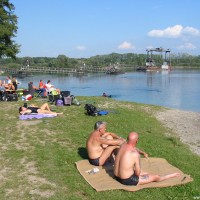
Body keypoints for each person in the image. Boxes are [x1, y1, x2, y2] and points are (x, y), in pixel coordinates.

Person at [114, 132, 180, 186]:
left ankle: (148, 175)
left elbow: (133, 148)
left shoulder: (122, 145)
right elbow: (137, 173)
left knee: (144, 172)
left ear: (127, 139)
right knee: (155, 176)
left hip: (116, 176)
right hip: (127, 180)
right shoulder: (135, 154)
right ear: (136, 141)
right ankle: (170, 175)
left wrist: (142, 152)